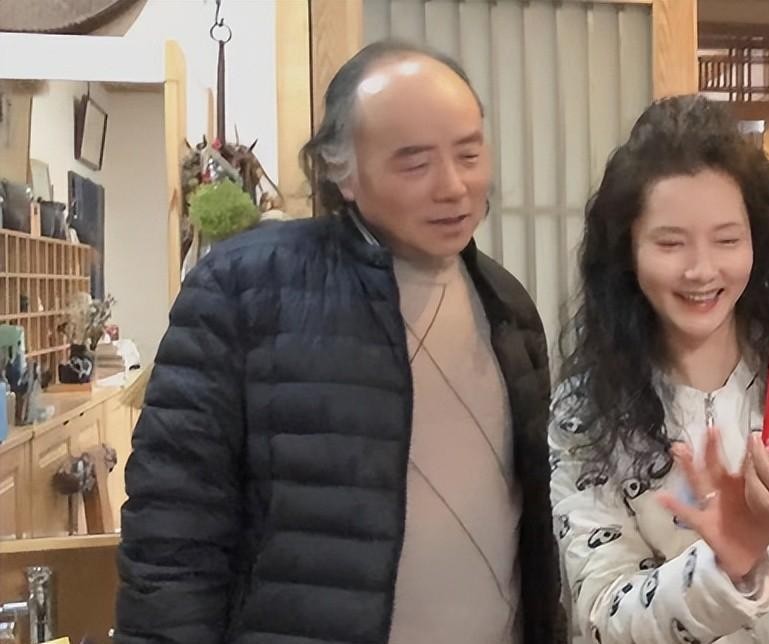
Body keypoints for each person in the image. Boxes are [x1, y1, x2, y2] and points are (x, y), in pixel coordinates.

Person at [115, 41, 561, 644]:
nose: (454, 186)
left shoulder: (505, 303)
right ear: (340, 171)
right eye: (414, 163)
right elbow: (172, 532)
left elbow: (535, 530)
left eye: (469, 154)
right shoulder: (242, 288)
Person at [550, 95, 769, 644]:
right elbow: (600, 618)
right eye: (670, 243)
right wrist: (724, 569)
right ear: (627, 250)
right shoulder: (587, 407)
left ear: (757, 243)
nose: (701, 270)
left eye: (727, 240)